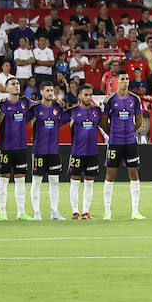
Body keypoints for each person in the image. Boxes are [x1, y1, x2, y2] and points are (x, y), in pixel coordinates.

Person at [101, 71, 147, 220]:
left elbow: (139, 120)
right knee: (110, 175)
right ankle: (107, 211)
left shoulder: (135, 99)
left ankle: (135, 211)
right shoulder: (109, 100)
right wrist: (113, 133)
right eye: (122, 79)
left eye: (127, 79)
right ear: (117, 81)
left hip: (130, 142)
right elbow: (103, 122)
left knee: (134, 173)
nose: (125, 82)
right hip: (115, 142)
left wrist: (131, 132)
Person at [0, 77, 35, 220]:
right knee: (3, 180)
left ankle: (21, 212)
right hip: (6, 147)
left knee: (20, 180)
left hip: (21, 147)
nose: (16, 86)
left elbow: (40, 105)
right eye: (13, 84)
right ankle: (3, 213)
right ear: (6, 89)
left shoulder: (25, 102)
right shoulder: (0, 105)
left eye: (17, 83)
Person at [29, 83, 66, 221]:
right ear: (41, 92)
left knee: (54, 181)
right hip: (39, 150)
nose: (50, 93)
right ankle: (36, 212)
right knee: (37, 181)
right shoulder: (35, 108)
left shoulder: (58, 108)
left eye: (52, 90)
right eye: (47, 90)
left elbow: (63, 120)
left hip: (54, 150)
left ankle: (54, 212)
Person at [69, 83, 103, 219]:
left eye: (90, 95)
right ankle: (75, 212)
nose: (88, 97)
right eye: (86, 95)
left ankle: (86, 212)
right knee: (75, 182)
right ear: (79, 96)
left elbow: (105, 125)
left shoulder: (97, 111)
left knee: (89, 182)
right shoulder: (72, 111)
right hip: (77, 151)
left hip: (92, 152)